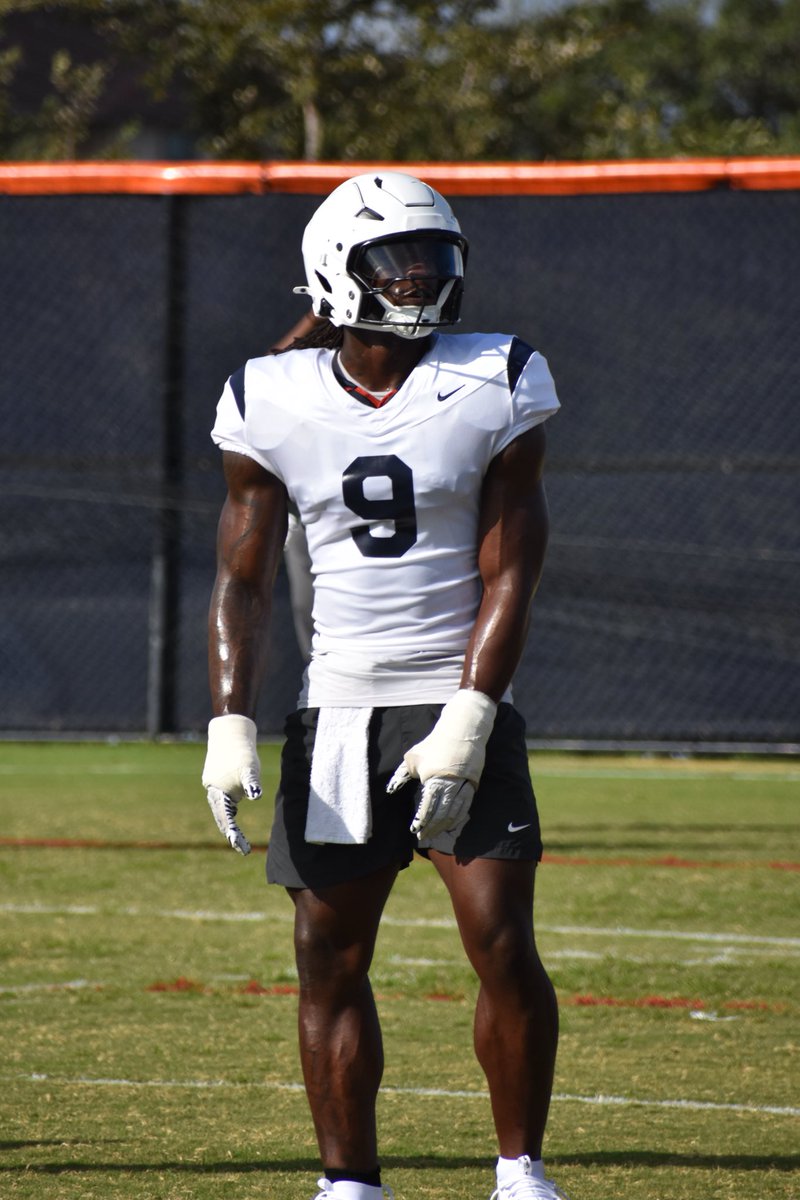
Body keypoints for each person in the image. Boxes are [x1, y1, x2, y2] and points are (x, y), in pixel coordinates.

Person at [202, 171, 566, 1200]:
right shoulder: (268, 396)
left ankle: (519, 1172)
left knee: (501, 941)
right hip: (336, 712)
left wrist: (470, 715)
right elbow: (241, 577)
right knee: (328, 956)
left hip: (455, 701)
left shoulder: (495, 375)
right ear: (334, 270)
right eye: (395, 260)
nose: (417, 278)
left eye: (434, 258)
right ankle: (348, 1183)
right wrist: (229, 722)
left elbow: (512, 568)